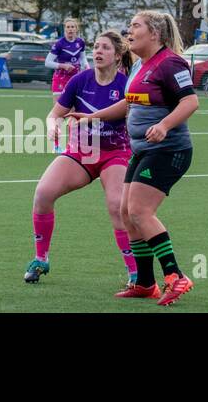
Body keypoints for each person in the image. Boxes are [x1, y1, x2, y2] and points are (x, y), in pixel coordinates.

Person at [77, 10, 199, 306]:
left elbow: (191, 101)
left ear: (154, 34)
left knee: (140, 212)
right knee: (124, 211)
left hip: (169, 150)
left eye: (135, 26)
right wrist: (93, 116)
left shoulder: (170, 63)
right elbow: (127, 104)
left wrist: (164, 125)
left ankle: (176, 276)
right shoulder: (140, 65)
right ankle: (145, 283)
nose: (128, 31)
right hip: (145, 150)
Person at [23, 30, 135, 286]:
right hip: (81, 152)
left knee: (117, 206)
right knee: (43, 194)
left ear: (118, 56)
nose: (98, 51)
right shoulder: (79, 80)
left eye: (106, 48)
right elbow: (54, 114)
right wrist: (52, 125)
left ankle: (135, 272)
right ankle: (41, 259)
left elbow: (133, 113)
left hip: (115, 153)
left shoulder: (126, 85)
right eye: (96, 47)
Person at [46, 18, 88, 150]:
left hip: (75, 79)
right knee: (59, 113)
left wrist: (87, 68)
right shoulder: (59, 44)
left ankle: (73, 143)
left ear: (76, 29)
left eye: (72, 27)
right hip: (60, 80)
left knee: (74, 113)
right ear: (64, 29)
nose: (70, 29)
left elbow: (82, 58)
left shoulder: (80, 42)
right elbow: (48, 62)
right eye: (68, 27)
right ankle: (56, 145)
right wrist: (62, 65)